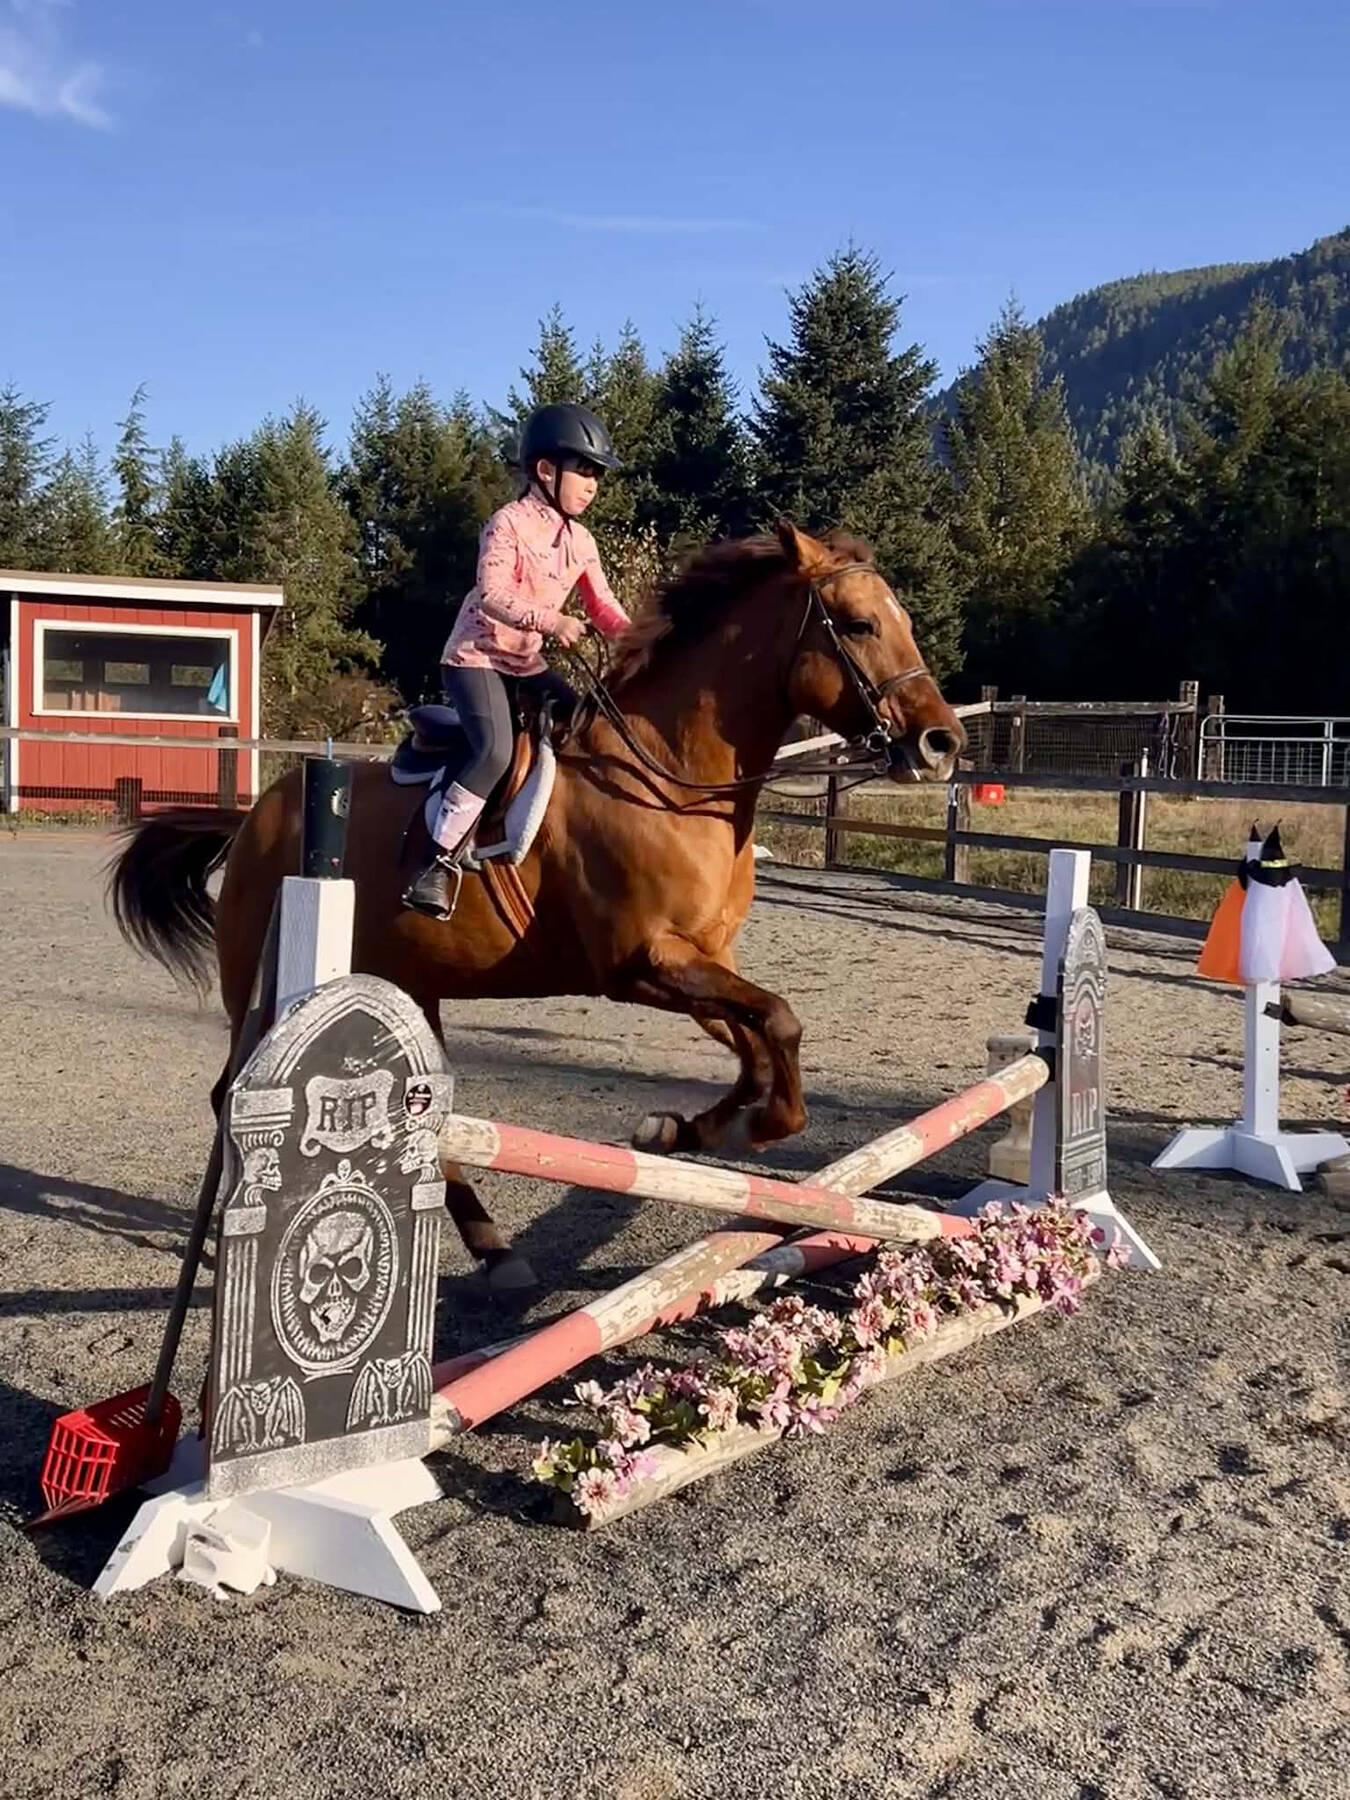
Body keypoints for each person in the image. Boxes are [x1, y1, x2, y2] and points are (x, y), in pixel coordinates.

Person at [402, 402, 631, 919]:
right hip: (476, 659)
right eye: (585, 471)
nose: (593, 485)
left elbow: (603, 606)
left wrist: (644, 638)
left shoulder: (582, 541)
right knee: (494, 752)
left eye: (597, 475)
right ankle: (436, 862)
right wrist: (553, 622)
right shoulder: (507, 523)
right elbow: (491, 594)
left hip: (525, 664)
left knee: (589, 727)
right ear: (546, 470)